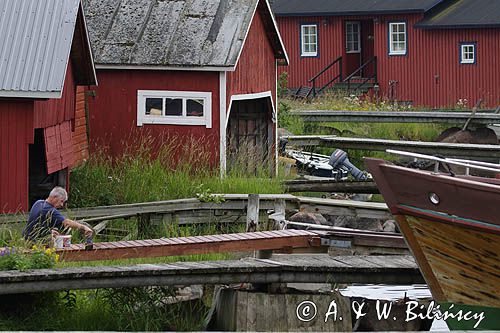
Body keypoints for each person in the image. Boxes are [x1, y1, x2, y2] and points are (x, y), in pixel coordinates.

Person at [22, 187, 93, 243]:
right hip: (34, 242)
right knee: (59, 243)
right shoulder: (50, 209)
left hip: (26, 237)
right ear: (55, 197)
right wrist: (83, 227)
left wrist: (49, 232)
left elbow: (35, 225)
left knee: (54, 236)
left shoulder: (38, 202)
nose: (62, 205)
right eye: (61, 201)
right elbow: (66, 222)